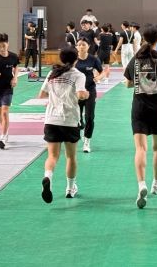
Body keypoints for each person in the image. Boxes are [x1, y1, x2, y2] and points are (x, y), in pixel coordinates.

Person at [124, 25, 157, 209]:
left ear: (144, 39)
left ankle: (141, 184)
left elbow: (127, 84)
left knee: (140, 148)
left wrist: (141, 82)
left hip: (139, 107)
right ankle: (156, 183)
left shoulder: (136, 58)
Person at [39, 47, 89, 203]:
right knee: (71, 156)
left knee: (52, 156)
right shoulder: (78, 75)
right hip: (69, 120)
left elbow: (42, 94)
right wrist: (86, 94)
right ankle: (70, 188)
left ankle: (48, 177)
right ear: (76, 60)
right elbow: (81, 95)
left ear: (61, 58)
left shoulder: (52, 73)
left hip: (51, 120)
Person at [75, 36, 104, 153]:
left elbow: (102, 72)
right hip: (76, 92)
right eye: (79, 44)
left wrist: (98, 78)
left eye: (84, 45)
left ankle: (87, 141)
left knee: (90, 117)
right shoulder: (73, 59)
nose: (81, 47)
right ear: (76, 47)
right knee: (77, 118)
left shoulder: (93, 59)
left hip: (90, 91)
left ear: (88, 46)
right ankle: (80, 125)